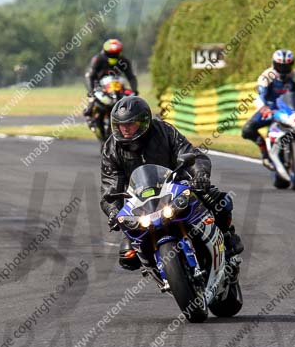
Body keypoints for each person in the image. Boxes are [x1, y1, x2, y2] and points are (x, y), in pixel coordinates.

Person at [100, 96, 244, 271]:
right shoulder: (111, 148)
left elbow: (192, 154)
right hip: (140, 199)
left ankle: (227, 237)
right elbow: (110, 186)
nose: (125, 130)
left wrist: (200, 175)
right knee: (128, 256)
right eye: (121, 125)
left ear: (144, 122)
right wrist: (113, 210)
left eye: (130, 124)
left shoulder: (163, 131)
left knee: (216, 198)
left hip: (175, 185)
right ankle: (159, 270)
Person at [241, 49, 295, 169]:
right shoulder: (266, 76)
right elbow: (261, 95)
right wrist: (264, 108)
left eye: (286, 66)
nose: (283, 70)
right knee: (247, 130)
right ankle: (265, 155)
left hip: (293, 108)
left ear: (292, 65)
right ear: (274, 64)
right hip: (272, 109)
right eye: (280, 66)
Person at [83, 38, 138, 121]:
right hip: (100, 86)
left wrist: (134, 90)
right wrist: (91, 91)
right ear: (105, 51)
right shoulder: (98, 59)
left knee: (133, 100)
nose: (113, 56)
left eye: (116, 53)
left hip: (116, 86)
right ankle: (90, 110)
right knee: (92, 100)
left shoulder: (123, 61)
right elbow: (90, 76)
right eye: (111, 54)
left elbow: (131, 77)